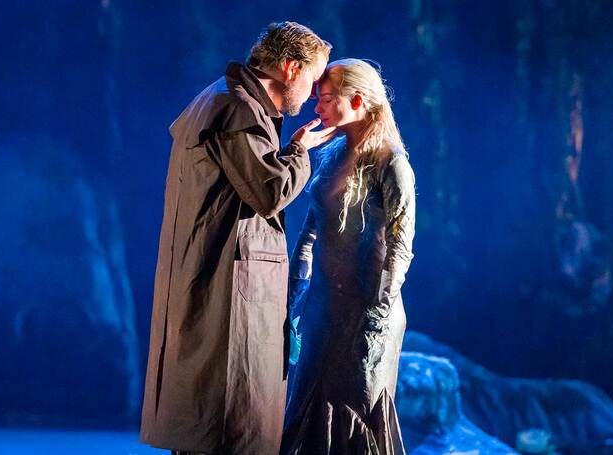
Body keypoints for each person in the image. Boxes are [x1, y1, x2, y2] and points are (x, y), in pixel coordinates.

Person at [140, 22, 335, 455]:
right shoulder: (237, 108)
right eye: (313, 77)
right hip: (225, 291)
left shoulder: (222, 99)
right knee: (226, 426)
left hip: (210, 279)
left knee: (208, 424)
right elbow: (270, 192)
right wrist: (299, 151)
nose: (313, 92)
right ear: (289, 67)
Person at [282, 59, 415, 454]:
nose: (316, 107)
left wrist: (378, 312)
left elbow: (400, 244)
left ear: (357, 101)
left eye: (325, 99)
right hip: (325, 304)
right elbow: (310, 229)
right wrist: (295, 289)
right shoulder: (333, 151)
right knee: (306, 401)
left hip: (366, 308)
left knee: (355, 412)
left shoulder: (391, 161)